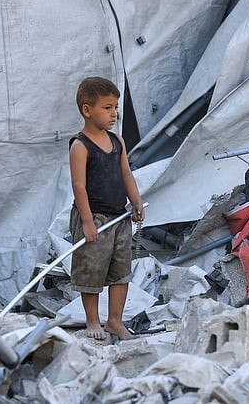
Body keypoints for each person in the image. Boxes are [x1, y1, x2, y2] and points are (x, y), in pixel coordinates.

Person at [69, 76, 145, 341]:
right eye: (107, 107)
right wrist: (88, 222)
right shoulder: (80, 146)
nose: (114, 113)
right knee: (91, 271)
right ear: (87, 110)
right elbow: (79, 186)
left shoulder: (118, 141)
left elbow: (126, 173)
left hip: (119, 217)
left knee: (120, 271)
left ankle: (115, 321)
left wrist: (135, 201)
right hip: (95, 218)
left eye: (115, 107)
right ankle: (93, 320)